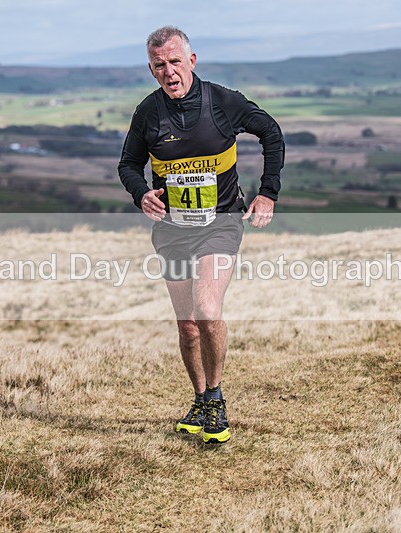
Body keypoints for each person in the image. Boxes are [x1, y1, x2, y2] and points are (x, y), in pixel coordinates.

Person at [118, 26, 284, 444]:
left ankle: (216, 398)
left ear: (192, 61)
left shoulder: (223, 101)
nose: (169, 72)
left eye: (175, 62)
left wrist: (267, 194)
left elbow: (272, 134)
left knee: (207, 310)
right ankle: (200, 399)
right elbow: (128, 165)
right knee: (187, 326)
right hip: (173, 232)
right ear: (151, 70)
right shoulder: (148, 113)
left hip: (221, 223)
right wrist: (142, 195)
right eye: (160, 65)